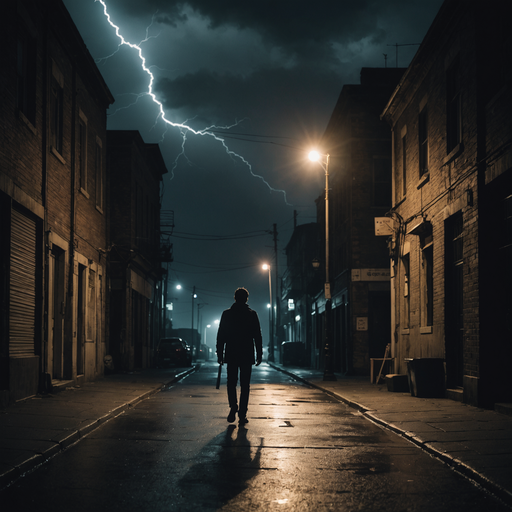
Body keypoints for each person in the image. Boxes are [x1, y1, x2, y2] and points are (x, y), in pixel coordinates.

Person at [216, 287, 263, 424]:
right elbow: (257, 336)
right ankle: (242, 413)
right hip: (247, 354)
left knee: (231, 383)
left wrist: (220, 354)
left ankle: (233, 406)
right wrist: (259, 354)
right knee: (245, 385)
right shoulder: (252, 314)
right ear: (246, 299)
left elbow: (221, 336)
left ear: (235, 298)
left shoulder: (227, 314)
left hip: (231, 353)